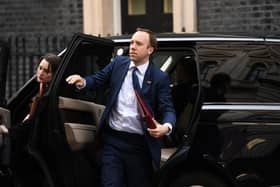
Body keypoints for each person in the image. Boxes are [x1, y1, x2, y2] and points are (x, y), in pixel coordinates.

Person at [66, 28, 176, 187]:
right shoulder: (118, 64)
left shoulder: (159, 77)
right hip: (113, 142)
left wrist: (166, 127)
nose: (132, 46)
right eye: (132, 42)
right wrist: (83, 82)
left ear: (150, 50)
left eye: (138, 44)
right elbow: (98, 79)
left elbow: (168, 109)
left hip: (140, 146)